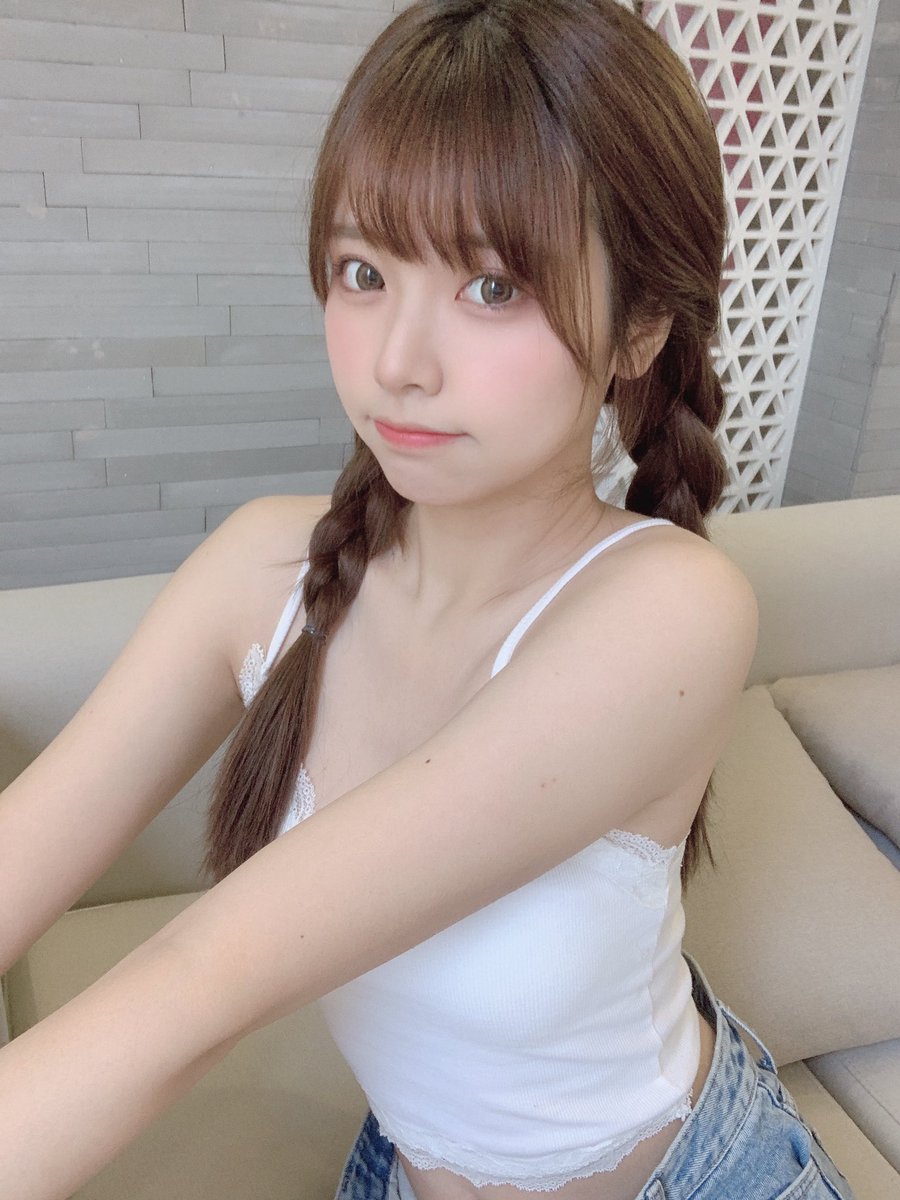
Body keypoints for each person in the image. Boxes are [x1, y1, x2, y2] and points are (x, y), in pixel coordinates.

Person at [0, 2, 856, 1198]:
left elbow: (199, 980)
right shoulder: (265, 571)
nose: (397, 361)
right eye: (364, 272)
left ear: (641, 327)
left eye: (493, 286)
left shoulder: (669, 611)